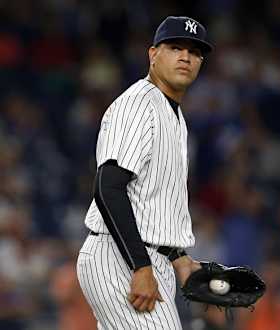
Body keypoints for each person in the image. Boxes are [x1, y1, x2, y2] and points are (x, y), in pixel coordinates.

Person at [76, 16, 213, 329]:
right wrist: (139, 266)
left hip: (146, 258)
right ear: (153, 55)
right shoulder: (139, 104)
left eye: (194, 52)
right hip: (120, 257)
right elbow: (108, 187)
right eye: (175, 47)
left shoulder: (173, 114)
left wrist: (178, 258)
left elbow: (152, 202)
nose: (185, 56)